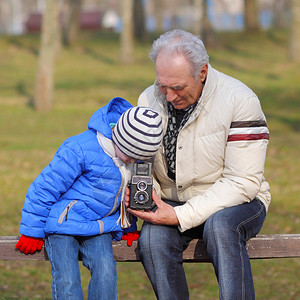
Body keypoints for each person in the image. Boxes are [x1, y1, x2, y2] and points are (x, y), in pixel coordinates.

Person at [125, 29, 271, 300]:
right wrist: (144, 190)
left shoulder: (241, 100)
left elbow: (243, 182)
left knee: (220, 227)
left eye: (178, 87)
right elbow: (141, 160)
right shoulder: (147, 99)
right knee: (152, 240)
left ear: (202, 72)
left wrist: (181, 215)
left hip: (237, 202)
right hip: (173, 201)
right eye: (162, 86)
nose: (168, 96)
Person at [15, 97, 163, 300]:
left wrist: (128, 226)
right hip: (63, 225)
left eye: (137, 158)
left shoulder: (131, 161)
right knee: (67, 280)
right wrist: (32, 231)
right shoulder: (79, 149)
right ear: (117, 136)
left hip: (99, 227)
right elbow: (44, 187)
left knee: (106, 271)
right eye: (129, 154)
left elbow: (125, 196)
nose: (131, 160)